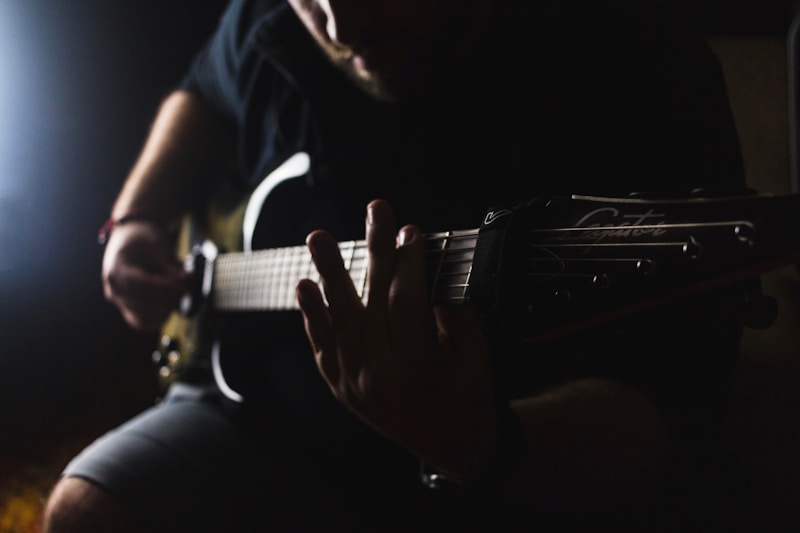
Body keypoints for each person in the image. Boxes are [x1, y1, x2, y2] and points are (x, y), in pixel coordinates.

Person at [43, 0, 751, 531]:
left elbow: (670, 409)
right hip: (251, 397)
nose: (341, 24)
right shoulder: (277, 16)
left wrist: (475, 441)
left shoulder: (640, 61)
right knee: (81, 510)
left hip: (491, 467)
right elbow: (201, 89)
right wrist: (134, 217)